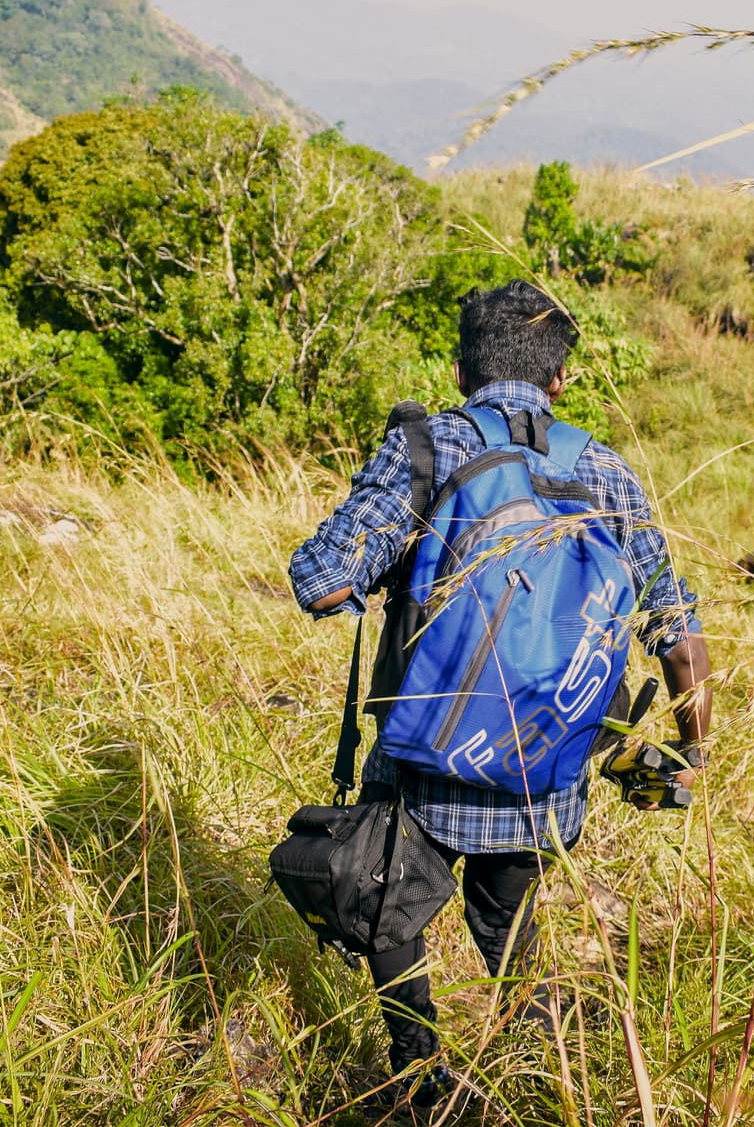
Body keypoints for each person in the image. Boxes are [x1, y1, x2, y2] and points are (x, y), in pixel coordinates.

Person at [288, 279, 712, 1109]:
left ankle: (421, 1078)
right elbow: (677, 631)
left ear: (460, 369)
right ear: (561, 379)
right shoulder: (606, 470)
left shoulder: (432, 446)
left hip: (421, 762)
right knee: (511, 922)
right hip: (544, 772)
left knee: (386, 910)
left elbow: (323, 584)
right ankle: (542, 1072)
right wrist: (690, 748)